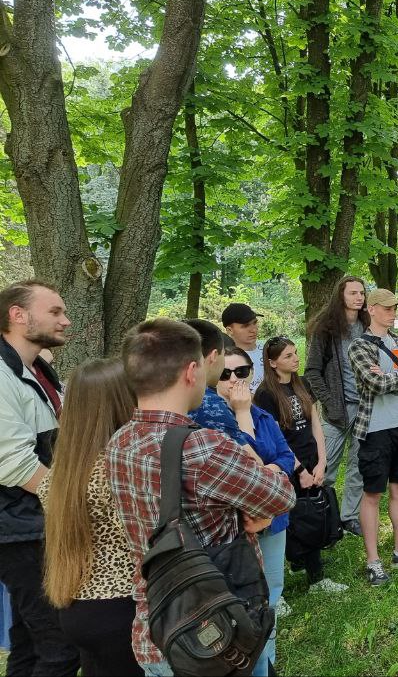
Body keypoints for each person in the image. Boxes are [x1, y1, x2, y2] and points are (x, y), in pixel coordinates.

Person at [108, 318, 294, 677]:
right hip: (220, 630)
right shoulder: (203, 446)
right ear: (192, 371)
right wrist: (255, 501)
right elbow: (280, 495)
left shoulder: (119, 442)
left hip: (157, 626)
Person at [38, 359, 142, 676]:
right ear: (124, 402)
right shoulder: (120, 470)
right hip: (124, 605)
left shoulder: (62, 474)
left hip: (79, 606)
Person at [195, 345, 295, 674]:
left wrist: (272, 471)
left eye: (242, 372)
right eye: (225, 373)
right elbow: (246, 468)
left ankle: (268, 662)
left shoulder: (263, 416)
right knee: (243, 603)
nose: (234, 380)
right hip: (238, 529)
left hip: (272, 521)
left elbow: (286, 456)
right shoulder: (208, 420)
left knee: (271, 595)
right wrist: (240, 414)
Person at [0, 280, 80, 676]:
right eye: (55, 312)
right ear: (18, 315)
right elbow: (13, 462)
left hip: (34, 523)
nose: (66, 321)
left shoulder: (36, 370)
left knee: (30, 645)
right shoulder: (2, 375)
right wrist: (74, 504)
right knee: (60, 647)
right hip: (19, 529)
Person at [347, 289, 398, 585]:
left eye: (395, 308)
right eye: (387, 308)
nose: (393, 313)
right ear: (371, 309)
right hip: (375, 430)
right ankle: (373, 561)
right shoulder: (359, 345)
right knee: (372, 494)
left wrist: (393, 375)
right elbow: (374, 384)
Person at [255, 336, 348, 592]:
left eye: (295, 353)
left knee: (313, 515)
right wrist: (299, 470)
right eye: (288, 356)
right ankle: (294, 577)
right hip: (288, 464)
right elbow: (277, 437)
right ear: (272, 363)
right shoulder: (265, 394)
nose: (296, 358)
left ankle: (313, 572)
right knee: (294, 520)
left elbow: (315, 423)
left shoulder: (303, 383)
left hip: (311, 459)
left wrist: (322, 461)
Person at [304, 276, 370, 536]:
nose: (359, 297)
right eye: (353, 292)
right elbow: (312, 371)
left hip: (366, 408)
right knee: (326, 466)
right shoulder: (326, 328)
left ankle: (349, 517)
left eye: (362, 293)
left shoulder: (368, 326)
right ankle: (319, 515)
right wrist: (329, 402)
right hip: (336, 411)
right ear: (340, 295)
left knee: (358, 466)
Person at [222, 302, 265, 392]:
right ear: (230, 330)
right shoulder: (224, 359)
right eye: (245, 326)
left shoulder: (269, 350)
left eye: (255, 323)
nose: (253, 329)